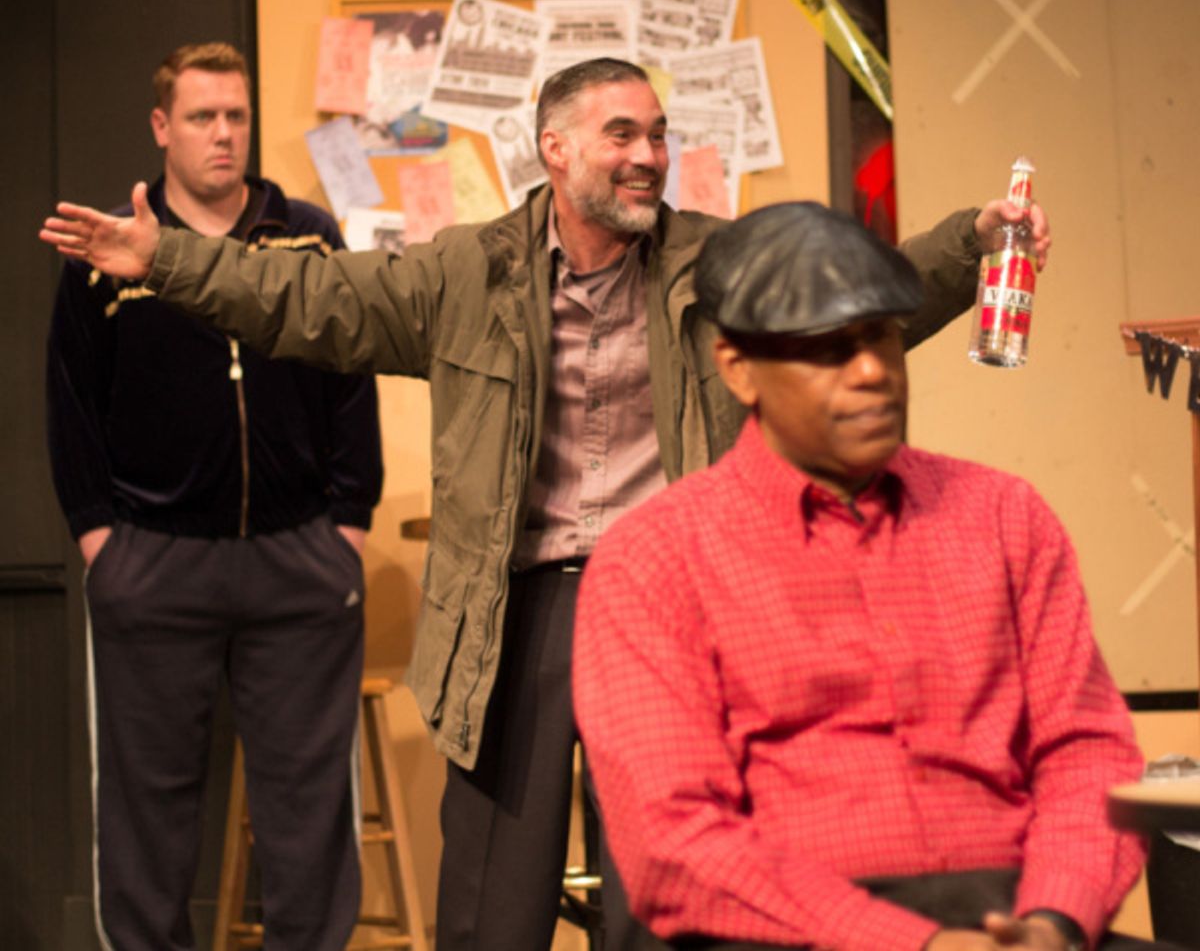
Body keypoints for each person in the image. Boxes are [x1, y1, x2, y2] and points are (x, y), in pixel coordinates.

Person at [41, 58, 1051, 951]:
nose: (648, 153)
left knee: (664, 895)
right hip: (516, 612)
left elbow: (858, 299)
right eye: (623, 134)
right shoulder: (468, 272)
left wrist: (974, 238)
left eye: (658, 133)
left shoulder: (717, 264)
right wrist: (164, 258)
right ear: (554, 147)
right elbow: (311, 301)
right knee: (493, 905)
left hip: (676, 612)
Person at [572, 202, 1167, 951]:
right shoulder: (654, 559)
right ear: (739, 370)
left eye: (882, 335)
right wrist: (911, 945)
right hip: (794, 928)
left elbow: (1086, 755)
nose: (873, 372)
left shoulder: (1005, 516)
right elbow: (674, 839)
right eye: (829, 350)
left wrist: (1055, 920)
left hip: (1017, 915)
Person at [45, 42, 383, 951]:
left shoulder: (308, 235)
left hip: (299, 562)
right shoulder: (106, 248)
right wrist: (99, 543)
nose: (223, 134)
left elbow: (351, 374)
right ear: (163, 128)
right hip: (152, 560)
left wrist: (348, 524)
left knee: (308, 808)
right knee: (147, 808)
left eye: (235, 115)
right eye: (202, 117)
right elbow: (71, 402)